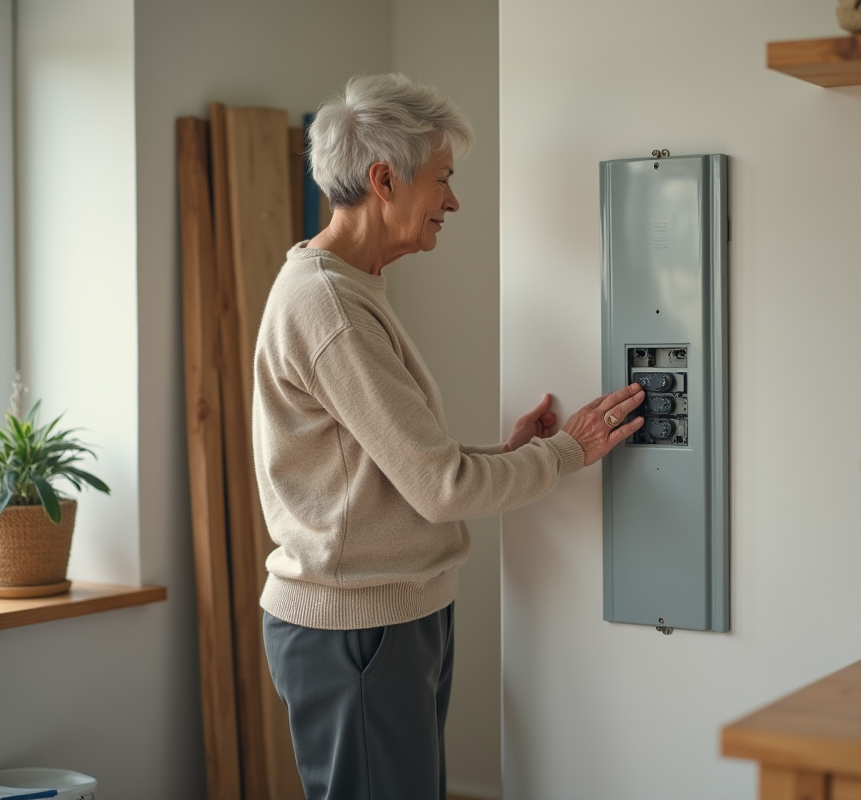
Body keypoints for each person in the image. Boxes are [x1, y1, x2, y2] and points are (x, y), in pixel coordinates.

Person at [253, 73, 645, 800]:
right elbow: (440, 491)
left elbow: (389, 472)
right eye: (443, 179)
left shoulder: (351, 289)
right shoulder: (329, 306)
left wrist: (512, 455)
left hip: (396, 615)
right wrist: (567, 452)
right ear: (383, 179)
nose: (454, 202)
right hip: (357, 633)